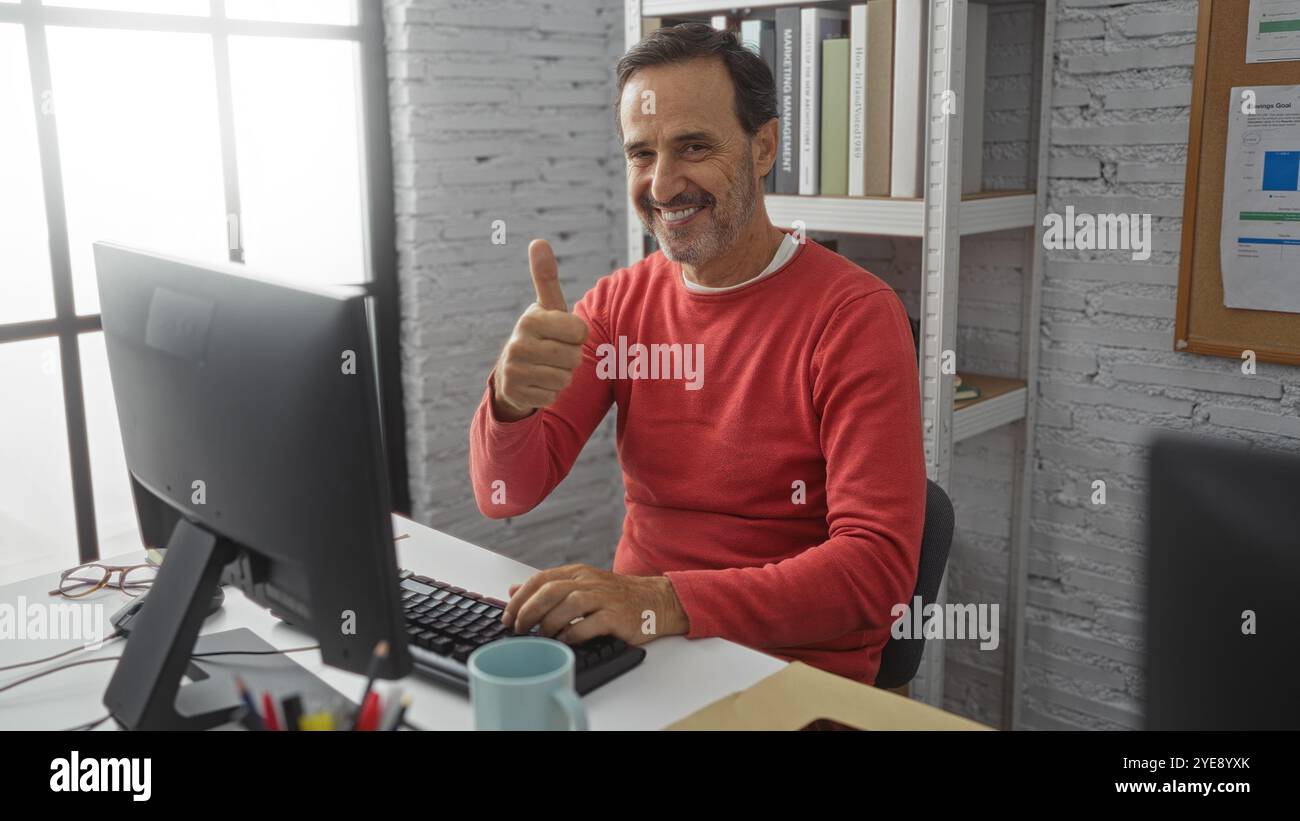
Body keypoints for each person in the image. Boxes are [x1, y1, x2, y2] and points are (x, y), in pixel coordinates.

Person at [469, 23, 925, 685]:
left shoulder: (855, 316)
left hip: (788, 671)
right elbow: (503, 494)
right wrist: (510, 400)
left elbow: (875, 573)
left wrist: (663, 601)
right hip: (640, 657)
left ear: (762, 146)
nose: (662, 184)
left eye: (692, 146)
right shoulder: (618, 303)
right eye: (641, 153)